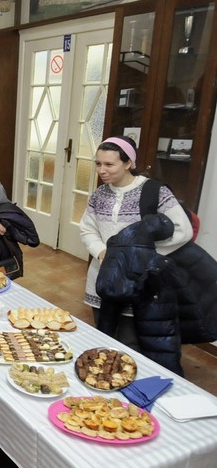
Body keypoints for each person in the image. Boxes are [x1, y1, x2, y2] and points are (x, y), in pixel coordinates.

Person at [79, 136, 192, 357]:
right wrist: (101, 252)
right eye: (98, 163)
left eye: (109, 164)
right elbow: (87, 229)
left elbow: (182, 230)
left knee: (130, 344)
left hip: (139, 281)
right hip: (104, 278)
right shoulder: (99, 195)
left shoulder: (155, 192)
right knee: (104, 338)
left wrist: (141, 257)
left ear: (128, 163)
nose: (102, 170)